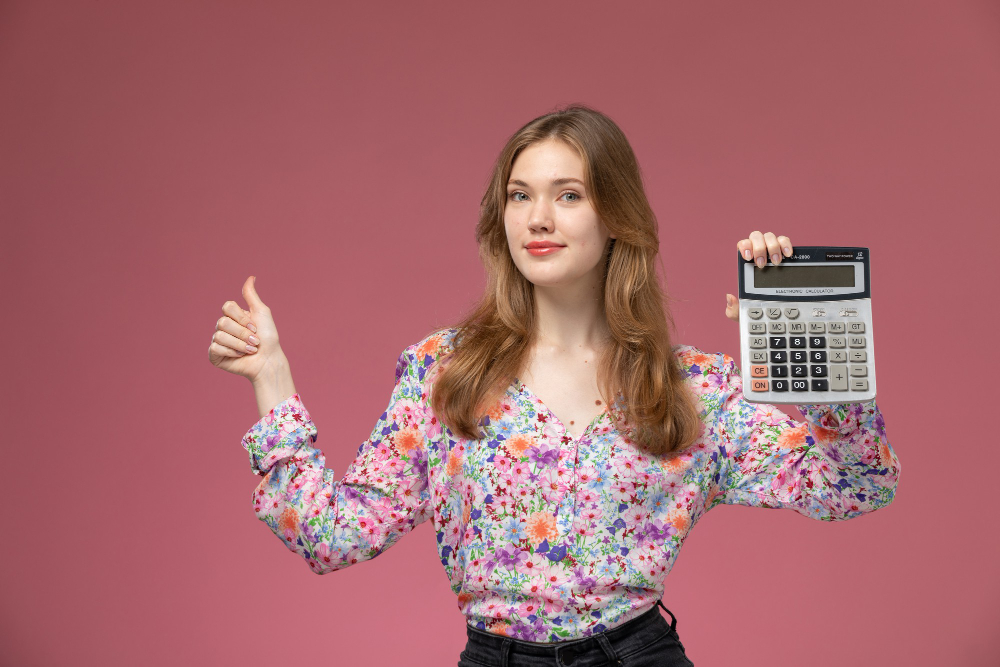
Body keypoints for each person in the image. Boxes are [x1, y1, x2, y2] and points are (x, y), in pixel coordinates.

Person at [208, 105, 900, 667]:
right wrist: (272, 379)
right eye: (520, 195)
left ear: (616, 218)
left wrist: (804, 325)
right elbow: (332, 535)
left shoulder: (691, 388)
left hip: (638, 654)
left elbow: (858, 483)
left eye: (568, 195)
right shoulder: (443, 373)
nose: (537, 218)